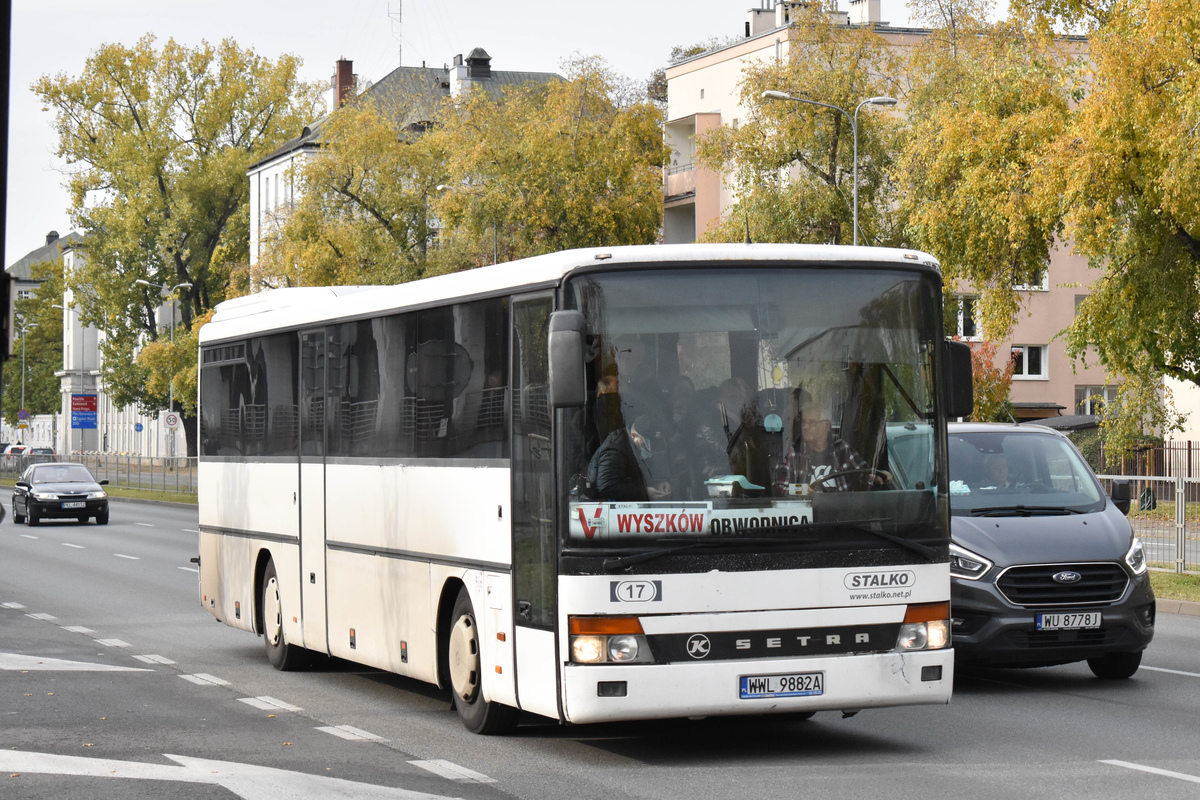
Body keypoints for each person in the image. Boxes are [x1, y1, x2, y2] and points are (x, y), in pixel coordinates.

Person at [777, 401, 872, 493]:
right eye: (803, 422)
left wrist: (877, 476)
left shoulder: (842, 449)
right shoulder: (795, 454)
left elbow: (865, 473)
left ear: (826, 425)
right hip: (810, 508)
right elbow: (779, 487)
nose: (805, 427)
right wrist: (801, 489)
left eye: (811, 422)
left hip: (842, 508)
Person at [588, 413, 673, 501]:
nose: (651, 451)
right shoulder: (615, 449)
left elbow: (637, 478)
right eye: (646, 444)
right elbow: (607, 487)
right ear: (633, 436)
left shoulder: (635, 447)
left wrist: (657, 484)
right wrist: (644, 492)